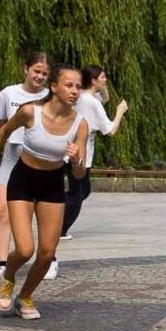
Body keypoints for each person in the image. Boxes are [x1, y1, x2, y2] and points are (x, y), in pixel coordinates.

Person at [0, 64, 89, 320]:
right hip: (23, 180)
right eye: (69, 85)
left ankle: (25, 296)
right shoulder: (30, 112)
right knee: (25, 249)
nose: (74, 91)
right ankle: (8, 276)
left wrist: (76, 160)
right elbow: (3, 130)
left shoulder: (80, 124)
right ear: (54, 87)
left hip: (52, 184)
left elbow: (80, 174)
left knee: (47, 253)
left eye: (78, 87)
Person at [0, 51, 50, 285]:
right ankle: (2, 265)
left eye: (44, 73)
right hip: (12, 156)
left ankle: (47, 258)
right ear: (26, 69)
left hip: (38, 160)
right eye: (36, 71)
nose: (40, 76)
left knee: (34, 214)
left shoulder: (51, 96)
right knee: (1, 210)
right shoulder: (8, 94)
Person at [60, 64, 128, 240]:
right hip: (79, 153)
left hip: (76, 151)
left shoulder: (84, 97)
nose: (106, 80)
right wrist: (119, 112)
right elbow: (111, 131)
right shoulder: (91, 102)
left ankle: (57, 214)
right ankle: (60, 228)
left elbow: (105, 99)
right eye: (103, 77)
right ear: (93, 80)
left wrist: (103, 87)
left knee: (84, 190)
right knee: (77, 193)